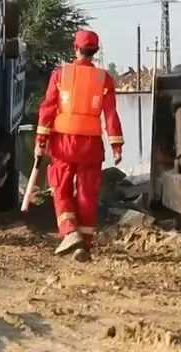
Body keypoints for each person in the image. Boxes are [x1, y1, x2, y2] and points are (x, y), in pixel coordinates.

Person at [34, 29, 124, 262]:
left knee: (61, 187)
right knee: (87, 192)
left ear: (75, 49)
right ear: (95, 52)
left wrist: (41, 141)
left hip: (63, 141)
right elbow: (110, 113)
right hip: (91, 144)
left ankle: (70, 231)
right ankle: (83, 244)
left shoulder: (60, 75)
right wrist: (116, 144)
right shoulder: (104, 79)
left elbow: (48, 109)